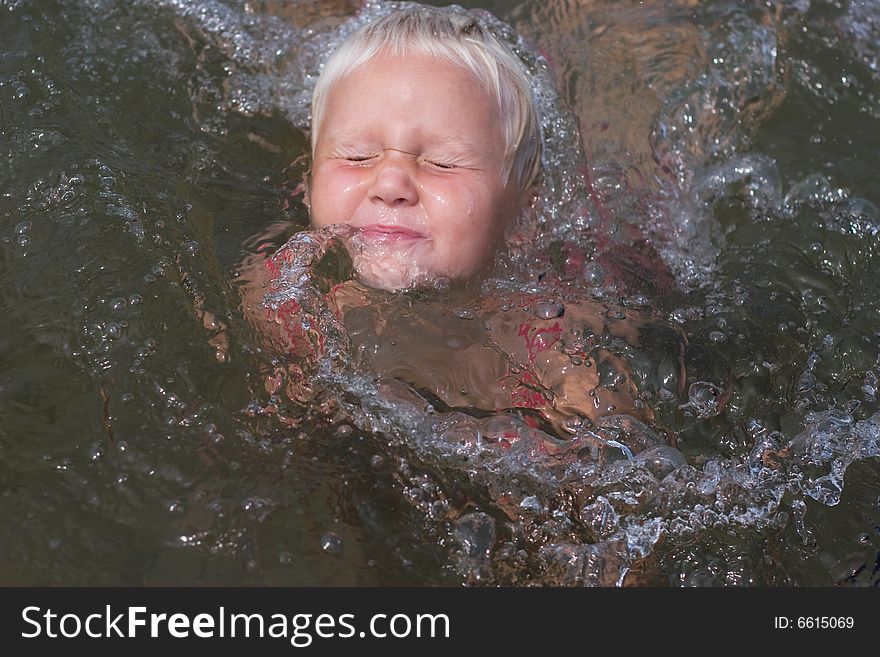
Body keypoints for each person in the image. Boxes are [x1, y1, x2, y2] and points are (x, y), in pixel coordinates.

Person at [243, 4, 683, 448]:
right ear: (307, 180)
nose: (390, 183)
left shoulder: (562, 351)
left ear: (522, 211)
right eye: (357, 156)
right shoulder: (279, 294)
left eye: (442, 162)